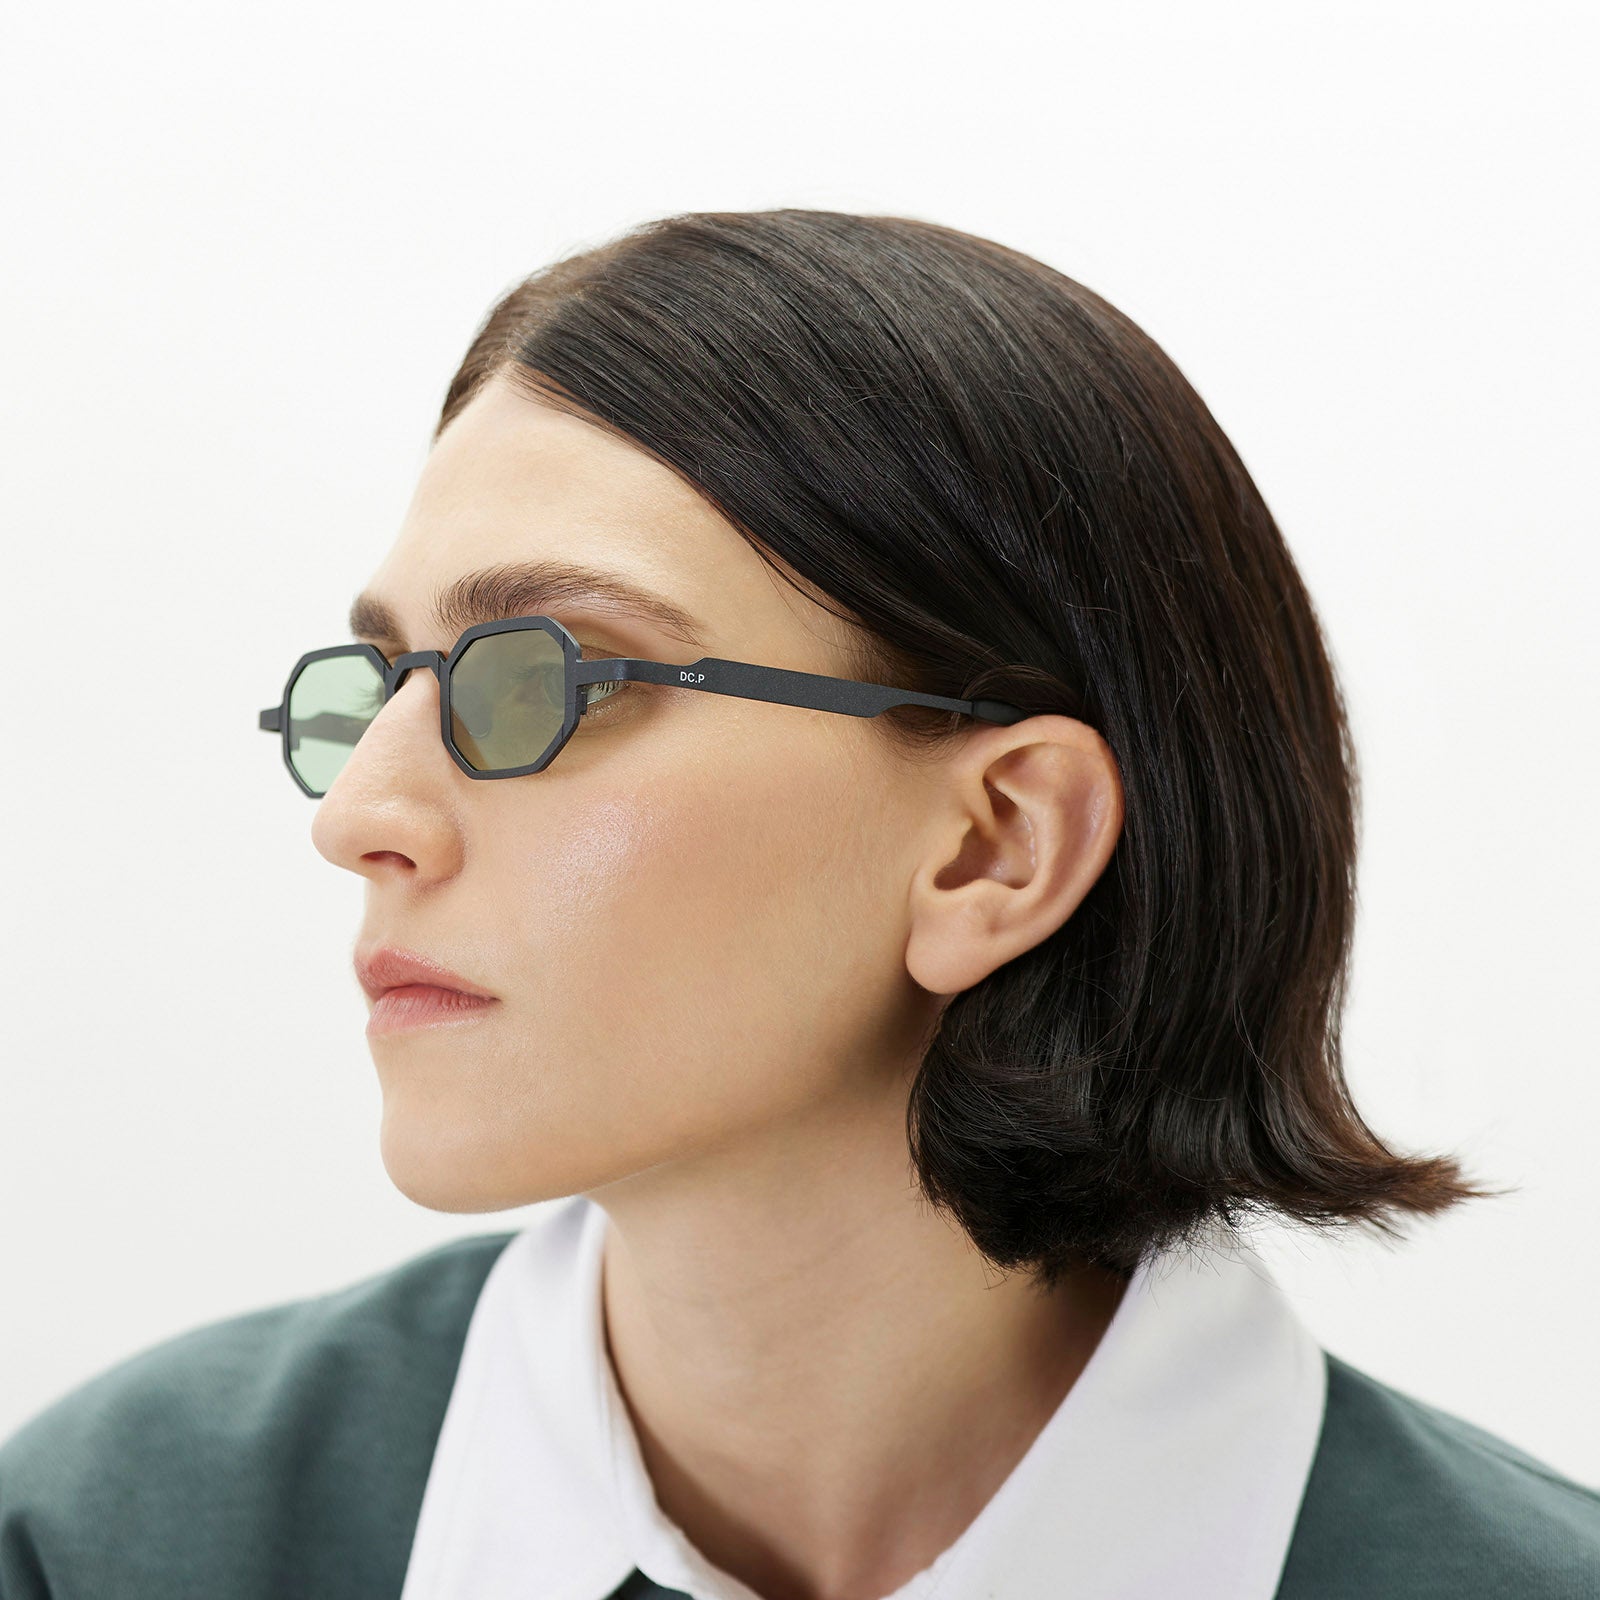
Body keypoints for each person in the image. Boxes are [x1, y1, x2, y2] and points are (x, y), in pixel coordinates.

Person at [2, 208, 1595, 1600]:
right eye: (382, 682)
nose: (359, 818)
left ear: (997, 845)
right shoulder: (114, 1541)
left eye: (546, 679)